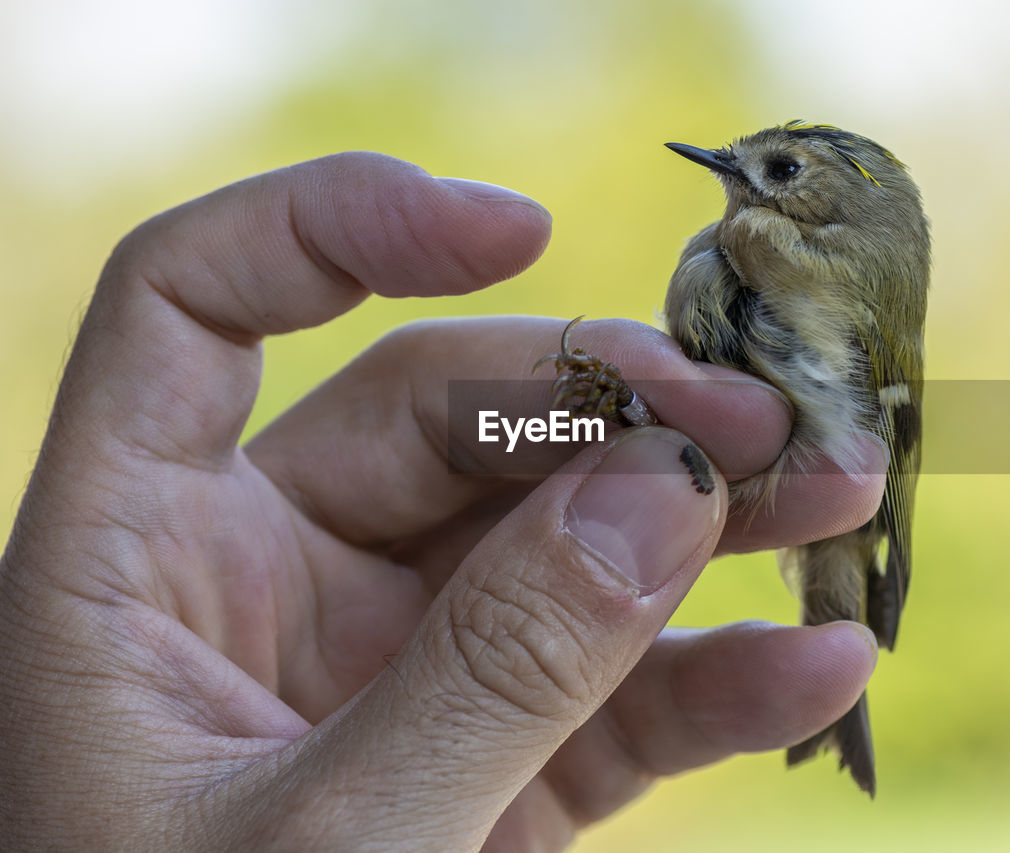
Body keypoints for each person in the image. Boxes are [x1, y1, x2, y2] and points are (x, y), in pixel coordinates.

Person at [0, 152, 882, 850]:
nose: (739, 177)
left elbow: (826, 438)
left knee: (688, 459)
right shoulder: (726, 256)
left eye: (779, 172)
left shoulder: (824, 275)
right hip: (714, 459)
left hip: (780, 484)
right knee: (633, 437)